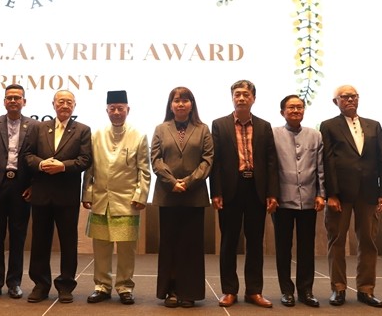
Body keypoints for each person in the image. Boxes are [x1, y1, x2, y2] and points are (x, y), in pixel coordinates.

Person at [210, 79, 279, 309]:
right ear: (232, 97)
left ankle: (254, 291)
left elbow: (271, 163)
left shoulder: (264, 126)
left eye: (246, 94)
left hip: (256, 190)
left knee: (255, 242)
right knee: (229, 241)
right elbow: (216, 162)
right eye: (237, 94)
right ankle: (229, 290)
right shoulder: (219, 125)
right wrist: (216, 192)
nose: (241, 98)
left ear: (253, 98)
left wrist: (272, 193)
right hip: (231, 189)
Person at [320, 85, 382, 308]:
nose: (349, 100)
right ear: (336, 102)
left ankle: (366, 289)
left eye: (353, 96)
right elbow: (327, 161)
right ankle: (338, 288)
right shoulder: (329, 126)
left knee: (368, 242)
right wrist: (331, 194)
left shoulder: (374, 126)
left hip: (369, 193)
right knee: (337, 241)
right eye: (344, 97)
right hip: (340, 195)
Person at [82, 90, 151, 305]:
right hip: (101, 199)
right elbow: (90, 169)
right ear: (107, 110)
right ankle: (101, 286)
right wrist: (87, 193)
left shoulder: (139, 135)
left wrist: (141, 195)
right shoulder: (97, 135)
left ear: (128, 110)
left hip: (127, 201)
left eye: (121, 108)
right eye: (113, 108)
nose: (117, 112)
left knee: (126, 249)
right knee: (101, 247)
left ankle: (124, 287)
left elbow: (144, 170)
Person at [24, 89, 92, 304]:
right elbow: (27, 155)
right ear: (53, 104)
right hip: (42, 194)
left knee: (68, 242)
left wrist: (63, 166)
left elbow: (85, 160)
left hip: (67, 195)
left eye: (69, 102)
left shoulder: (82, 130)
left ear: (74, 106)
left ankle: (66, 285)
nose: (65, 105)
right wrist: (41, 164)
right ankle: (40, 285)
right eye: (61, 101)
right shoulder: (39, 128)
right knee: (40, 241)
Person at [151, 86, 213, 308]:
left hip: (193, 195)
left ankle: (190, 292)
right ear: (170, 105)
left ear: (192, 104)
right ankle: (172, 291)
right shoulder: (161, 128)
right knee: (170, 244)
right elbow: (155, 159)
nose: (180, 104)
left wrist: (187, 182)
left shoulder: (203, 129)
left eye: (185, 100)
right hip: (168, 195)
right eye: (176, 100)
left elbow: (207, 160)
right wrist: (172, 182)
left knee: (191, 246)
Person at [0, 84, 38, 300]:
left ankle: (14, 283)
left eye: (17, 98)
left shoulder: (34, 126)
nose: (13, 101)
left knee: (18, 237)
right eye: (9, 98)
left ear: (25, 101)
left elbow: (37, 157)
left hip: (22, 188)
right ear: (4, 101)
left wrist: (34, 186)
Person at [272, 94, 325, 307]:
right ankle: (286, 291)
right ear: (282, 112)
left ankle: (306, 290)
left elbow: (321, 168)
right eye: (291, 108)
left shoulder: (316, 135)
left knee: (306, 248)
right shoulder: (273, 134)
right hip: (282, 200)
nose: (296, 111)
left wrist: (321, 194)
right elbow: (270, 168)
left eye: (299, 107)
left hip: (309, 200)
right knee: (283, 248)